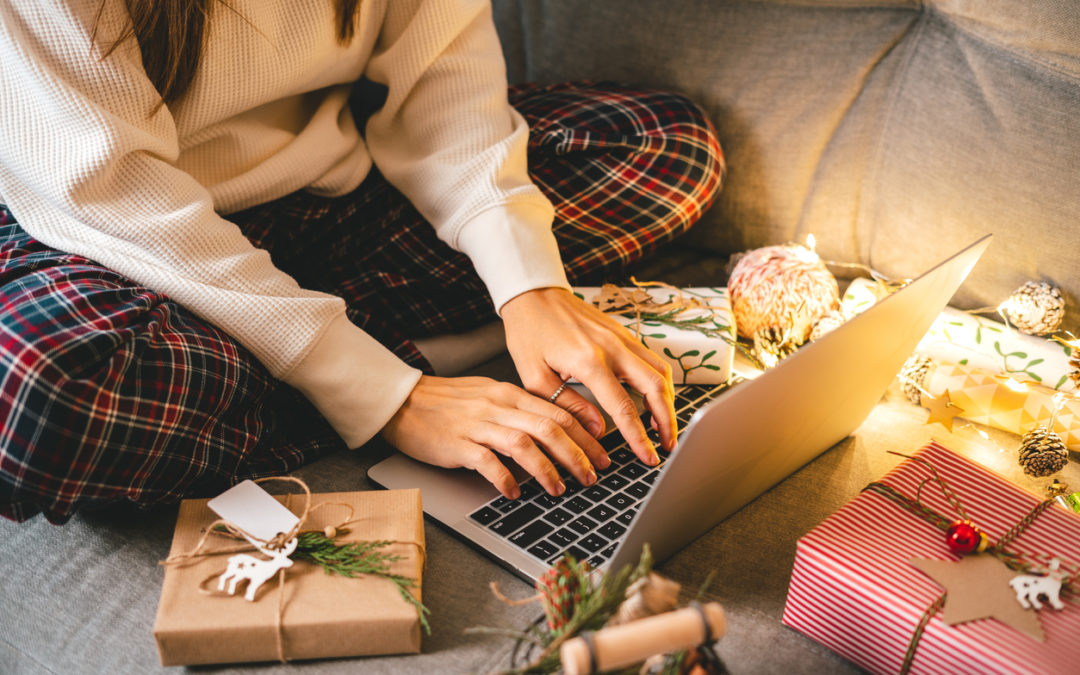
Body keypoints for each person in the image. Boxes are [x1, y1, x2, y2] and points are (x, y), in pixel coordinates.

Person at [0, 0, 724, 523]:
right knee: (45, 392)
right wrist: (390, 398)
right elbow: (117, 199)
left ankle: (297, 366)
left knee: (664, 144)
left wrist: (531, 289)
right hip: (109, 237)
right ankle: (396, 366)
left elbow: (445, 83)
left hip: (326, 207)